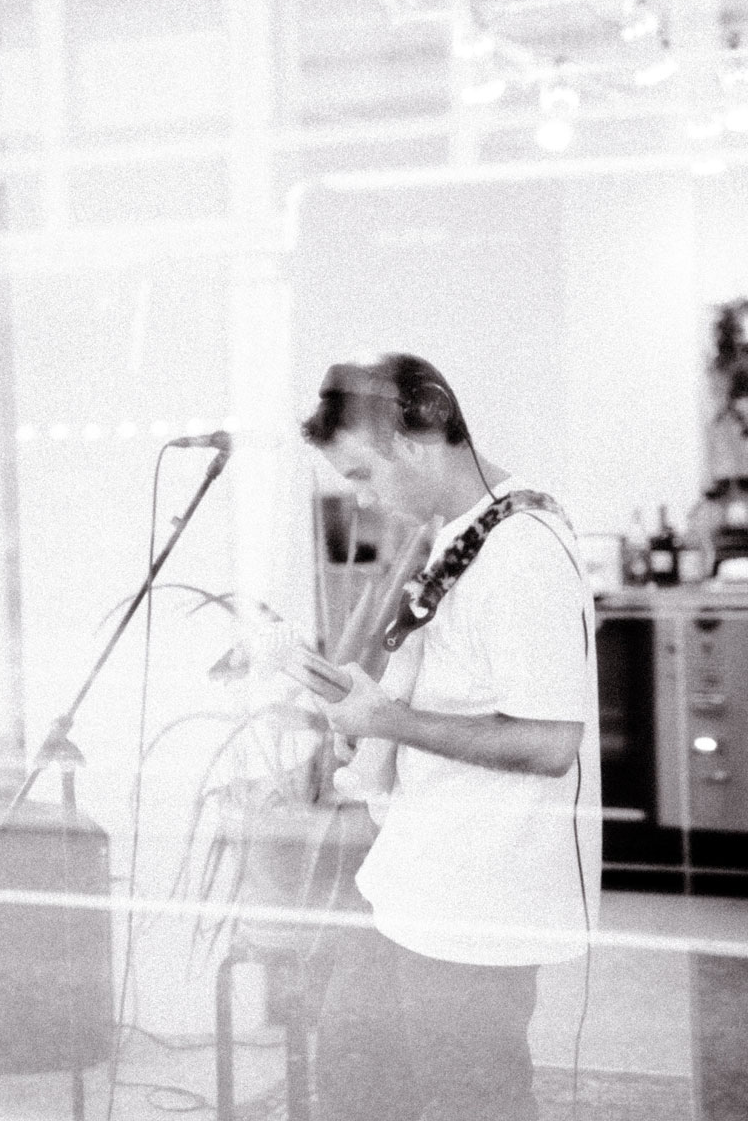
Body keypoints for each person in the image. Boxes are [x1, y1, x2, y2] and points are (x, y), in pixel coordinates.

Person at [298, 352, 601, 1121]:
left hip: (478, 899)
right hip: (416, 879)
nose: (366, 499)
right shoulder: (465, 536)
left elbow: (548, 743)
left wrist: (385, 722)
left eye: (366, 474)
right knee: (356, 1079)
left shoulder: (522, 552)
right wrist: (369, 728)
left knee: (471, 1100)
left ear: (420, 429)